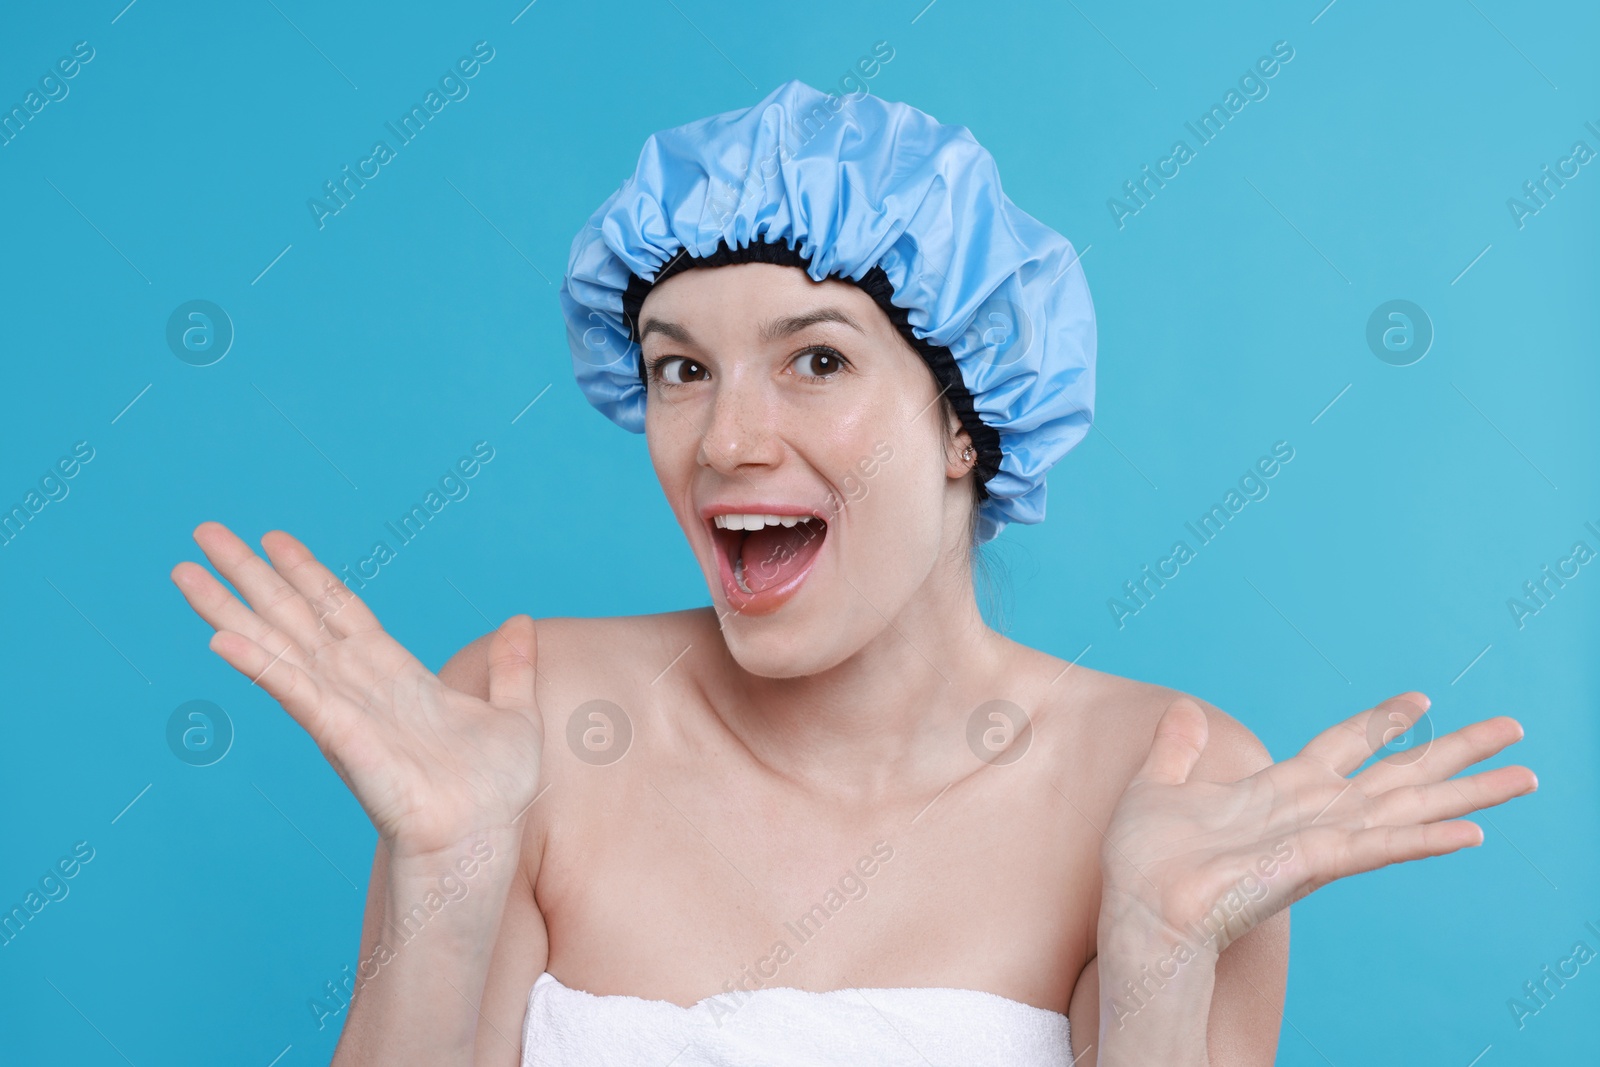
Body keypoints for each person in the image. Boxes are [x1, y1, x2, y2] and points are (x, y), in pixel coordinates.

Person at [170, 80, 1535, 1066]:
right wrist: (449, 878)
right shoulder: (518, 715)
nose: (727, 438)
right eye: (679, 369)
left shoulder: (1174, 782)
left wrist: (1160, 972)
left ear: (963, 421)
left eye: (816, 358)